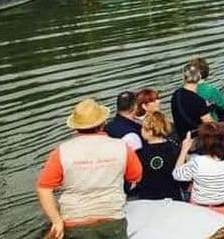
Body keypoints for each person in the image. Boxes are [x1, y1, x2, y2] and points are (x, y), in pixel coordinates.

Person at [36, 98, 142, 239]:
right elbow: (135, 177)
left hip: (75, 222)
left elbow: (43, 188)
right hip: (112, 218)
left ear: (75, 127)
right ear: (102, 123)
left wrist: (56, 221)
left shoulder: (61, 152)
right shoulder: (122, 147)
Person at [172, 122, 224, 219]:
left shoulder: (197, 162)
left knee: (187, 188)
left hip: (205, 210)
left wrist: (184, 149)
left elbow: (176, 174)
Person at [170, 64, 224, 159]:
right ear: (199, 77)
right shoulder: (198, 100)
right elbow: (211, 125)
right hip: (198, 138)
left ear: (184, 78)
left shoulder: (176, 95)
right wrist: (221, 125)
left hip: (183, 136)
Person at [133, 112, 184, 200]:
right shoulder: (175, 148)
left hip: (148, 198)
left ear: (150, 132)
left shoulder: (139, 153)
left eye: (143, 128)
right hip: (172, 196)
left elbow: (136, 178)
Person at [188, 58, 224, 122]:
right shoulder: (211, 90)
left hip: (192, 123)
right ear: (207, 72)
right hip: (210, 126)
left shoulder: (184, 91)